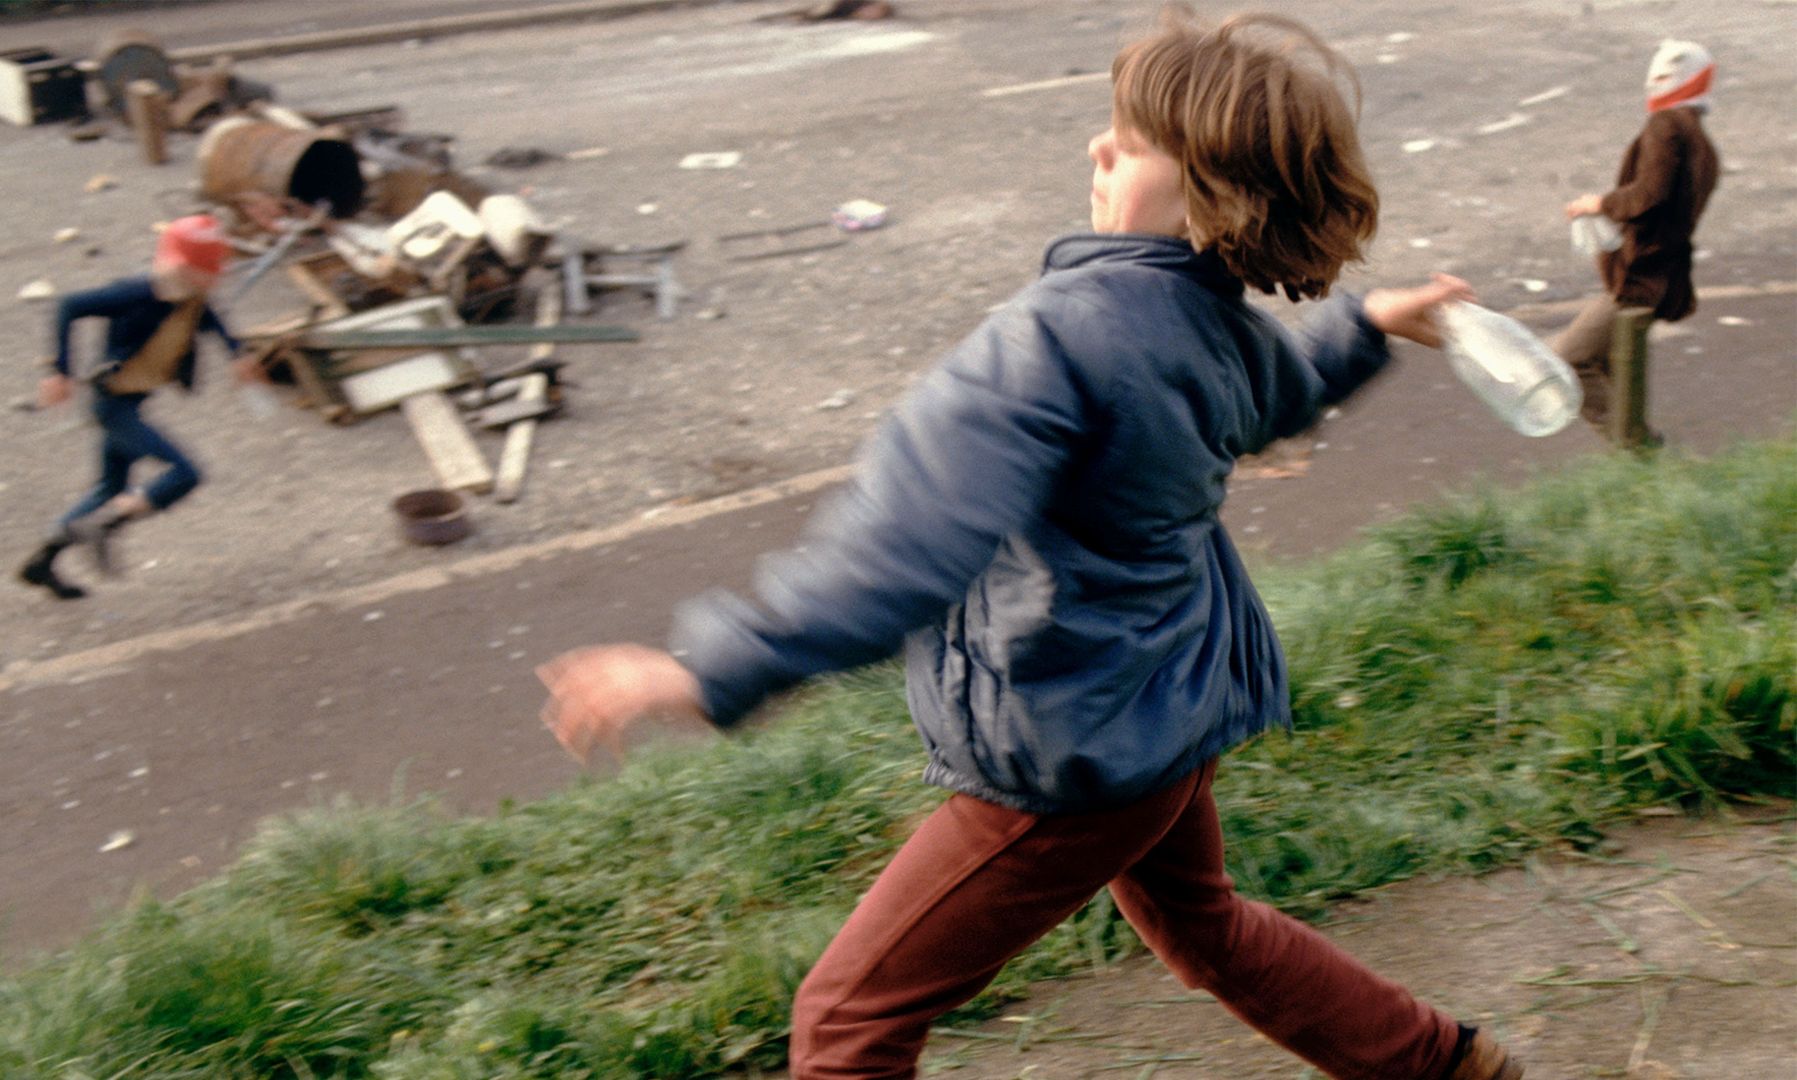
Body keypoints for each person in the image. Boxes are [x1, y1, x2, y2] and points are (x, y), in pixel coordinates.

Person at [538, 10, 1521, 1080]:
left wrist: (702, 667)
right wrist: (1369, 323)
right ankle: (1445, 1065)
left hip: (1079, 745)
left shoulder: (1050, 341)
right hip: (1171, 706)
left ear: (1220, 197)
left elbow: (904, 549)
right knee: (1208, 932)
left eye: (1132, 142)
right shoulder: (1220, 324)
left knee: (845, 1022)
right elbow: (1284, 396)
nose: (1098, 149)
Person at [18, 215, 256, 599]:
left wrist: (236, 353)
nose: (218, 277)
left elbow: (212, 319)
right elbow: (68, 306)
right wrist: (58, 371)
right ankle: (103, 527)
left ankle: (41, 562)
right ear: (184, 268)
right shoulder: (134, 294)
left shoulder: (193, 297)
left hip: (132, 402)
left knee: (111, 488)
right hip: (112, 406)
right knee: (186, 473)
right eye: (210, 270)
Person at [1554, 38, 1720, 444]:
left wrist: (1600, 203)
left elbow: (1650, 193)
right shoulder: (1702, 141)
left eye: (1662, 76)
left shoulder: (1666, 125)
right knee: (1613, 366)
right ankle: (1637, 462)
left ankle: (1641, 455)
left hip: (1641, 274)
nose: (1652, 85)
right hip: (1666, 274)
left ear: (1687, 77)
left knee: (1569, 361)